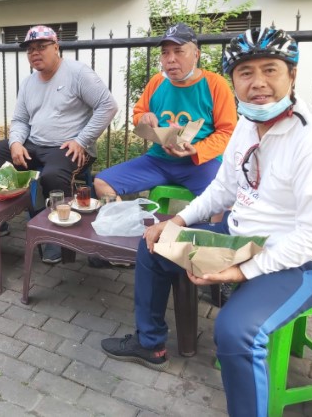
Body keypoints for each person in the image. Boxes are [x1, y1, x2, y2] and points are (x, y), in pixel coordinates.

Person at [100, 27, 312, 417]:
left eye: (270, 70)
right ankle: (151, 345)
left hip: (308, 261)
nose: (259, 84)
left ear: (292, 75)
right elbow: (222, 189)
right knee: (153, 246)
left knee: (236, 332)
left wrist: (242, 270)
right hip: (241, 237)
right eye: (246, 73)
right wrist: (177, 220)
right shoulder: (248, 127)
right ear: (234, 80)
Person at [89, 23, 237, 268]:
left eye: (179, 52)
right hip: (158, 160)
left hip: (199, 163)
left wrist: (198, 150)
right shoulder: (157, 81)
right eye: (166, 53)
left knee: (226, 201)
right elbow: (139, 113)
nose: (171, 59)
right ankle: (124, 241)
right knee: (102, 182)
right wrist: (144, 117)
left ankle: (216, 263)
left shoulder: (215, 84)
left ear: (196, 54)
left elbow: (227, 130)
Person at [0, 25, 118, 263]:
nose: (35, 53)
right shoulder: (29, 82)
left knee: (52, 177)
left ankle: (59, 238)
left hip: (68, 147)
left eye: (41, 47)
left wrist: (82, 141)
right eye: (30, 50)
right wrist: (16, 143)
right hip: (34, 144)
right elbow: (19, 119)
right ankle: (3, 217)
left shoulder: (78, 73)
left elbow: (107, 106)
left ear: (56, 47)